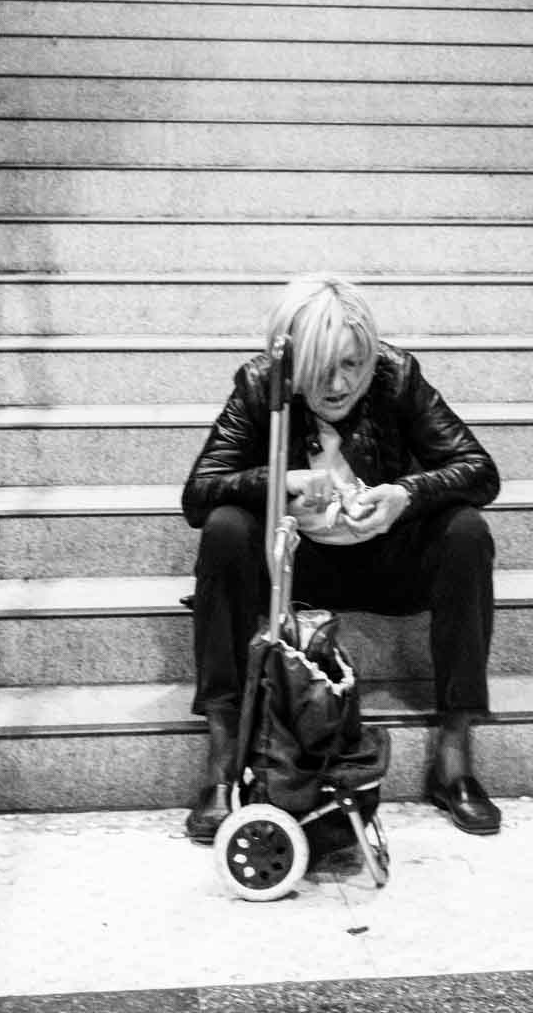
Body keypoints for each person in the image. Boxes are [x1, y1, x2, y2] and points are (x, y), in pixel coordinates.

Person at [180, 274, 503, 842]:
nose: (338, 383)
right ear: (290, 359)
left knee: (467, 531)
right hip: (296, 573)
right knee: (226, 529)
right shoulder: (261, 385)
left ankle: (455, 754)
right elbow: (199, 493)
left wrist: (408, 495)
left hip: (386, 563)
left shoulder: (397, 376)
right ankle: (223, 758)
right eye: (321, 366)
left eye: (352, 364)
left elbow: (480, 471)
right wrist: (279, 483)